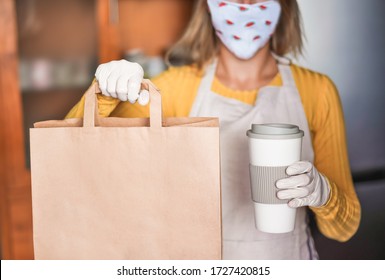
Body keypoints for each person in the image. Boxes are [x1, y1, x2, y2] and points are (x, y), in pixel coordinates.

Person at [66, 0, 361, 259]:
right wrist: (104, 94)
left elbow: (343, 230)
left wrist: (323, 194)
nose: (245, 3)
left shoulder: (317, 91)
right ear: (207, 5)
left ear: (284, 5)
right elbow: (72, 156)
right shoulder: (175, 89)